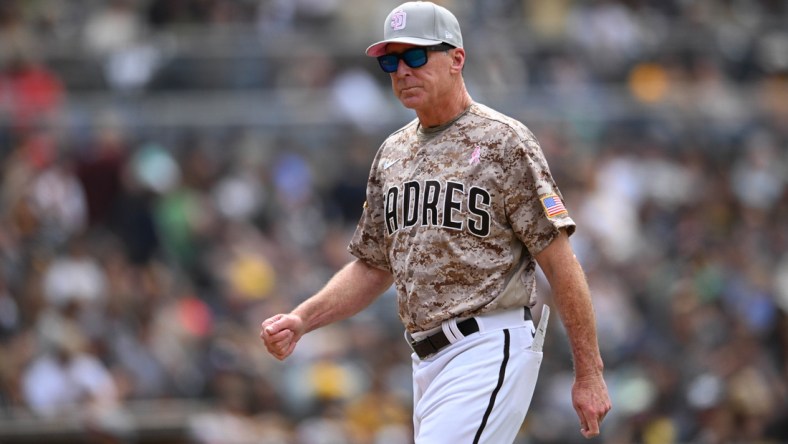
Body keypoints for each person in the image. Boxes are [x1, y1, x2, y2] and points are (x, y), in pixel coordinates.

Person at [260, 1, 612, 442]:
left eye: (416, 55)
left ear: (457, 60)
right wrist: (302, 319)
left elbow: (561, 263)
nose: (402, 70)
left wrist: (589, 372)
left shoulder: (504, 142)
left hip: (489, 343)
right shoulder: (392, 153)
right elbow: (373, 265)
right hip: (425, 362)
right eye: (391, 60)